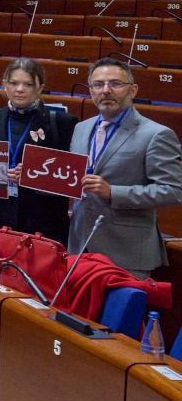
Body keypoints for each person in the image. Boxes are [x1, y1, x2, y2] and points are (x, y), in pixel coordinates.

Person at [69, 58, 182, 278]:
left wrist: (113, 192)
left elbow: (174, 191)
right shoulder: (81, 128)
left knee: (119, 313)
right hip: (80, 244)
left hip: (126, 251)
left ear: (133, 90)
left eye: (115, 84)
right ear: (91, 90)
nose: (106, 90)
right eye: (98, 85)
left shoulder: (156, 134)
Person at [0, 59, 77, 244]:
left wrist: (32, 176)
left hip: (42, 223)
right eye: (14, 83)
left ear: (40, 87)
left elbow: (69, 179)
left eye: (28, 84)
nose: (20, 89)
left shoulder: (62, 122)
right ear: (5, 85)